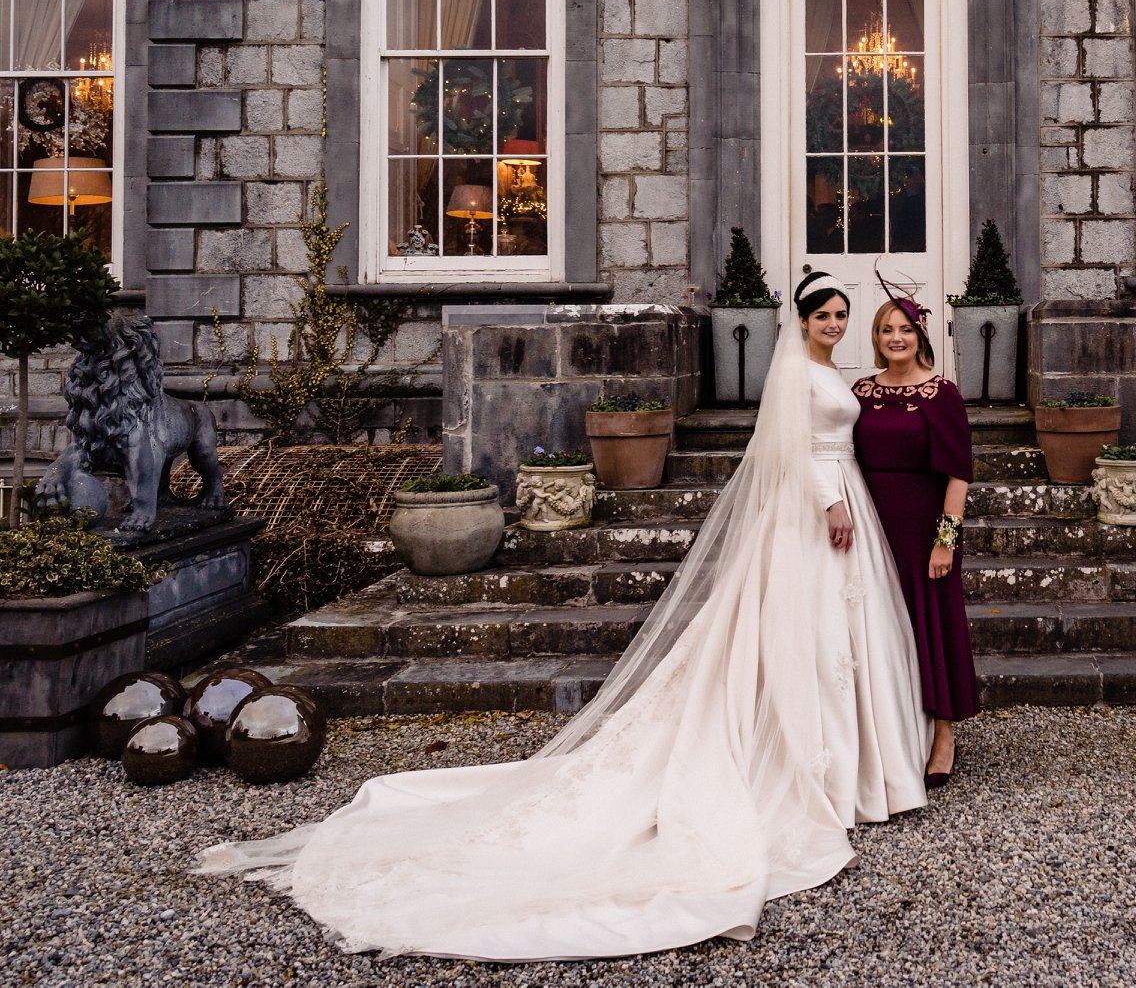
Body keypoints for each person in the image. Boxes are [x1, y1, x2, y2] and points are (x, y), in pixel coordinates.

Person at [195, 270, 931, 961]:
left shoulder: (836, 372)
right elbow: (792, 448)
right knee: (804, 637)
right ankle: (816, 771)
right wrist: (829, 501)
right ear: (800, 320)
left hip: (844, 502)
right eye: (823, 315)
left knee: (839, 637)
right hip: (816, 508)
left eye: (840, 315)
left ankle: (856, 766)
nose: (834, 323)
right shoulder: (796, 373)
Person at [851, 287, 978, 787]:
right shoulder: (861, 392)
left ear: (919, 334)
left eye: (905, 329)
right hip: (871, 523)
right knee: (878, 625)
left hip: (926, 527)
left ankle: (942, 733)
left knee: (931, 621)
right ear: (876, 338)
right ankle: (890, 728)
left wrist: (945, 539)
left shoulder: (941, 393)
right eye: (887, 330)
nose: (896, 338)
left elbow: (959, 474)